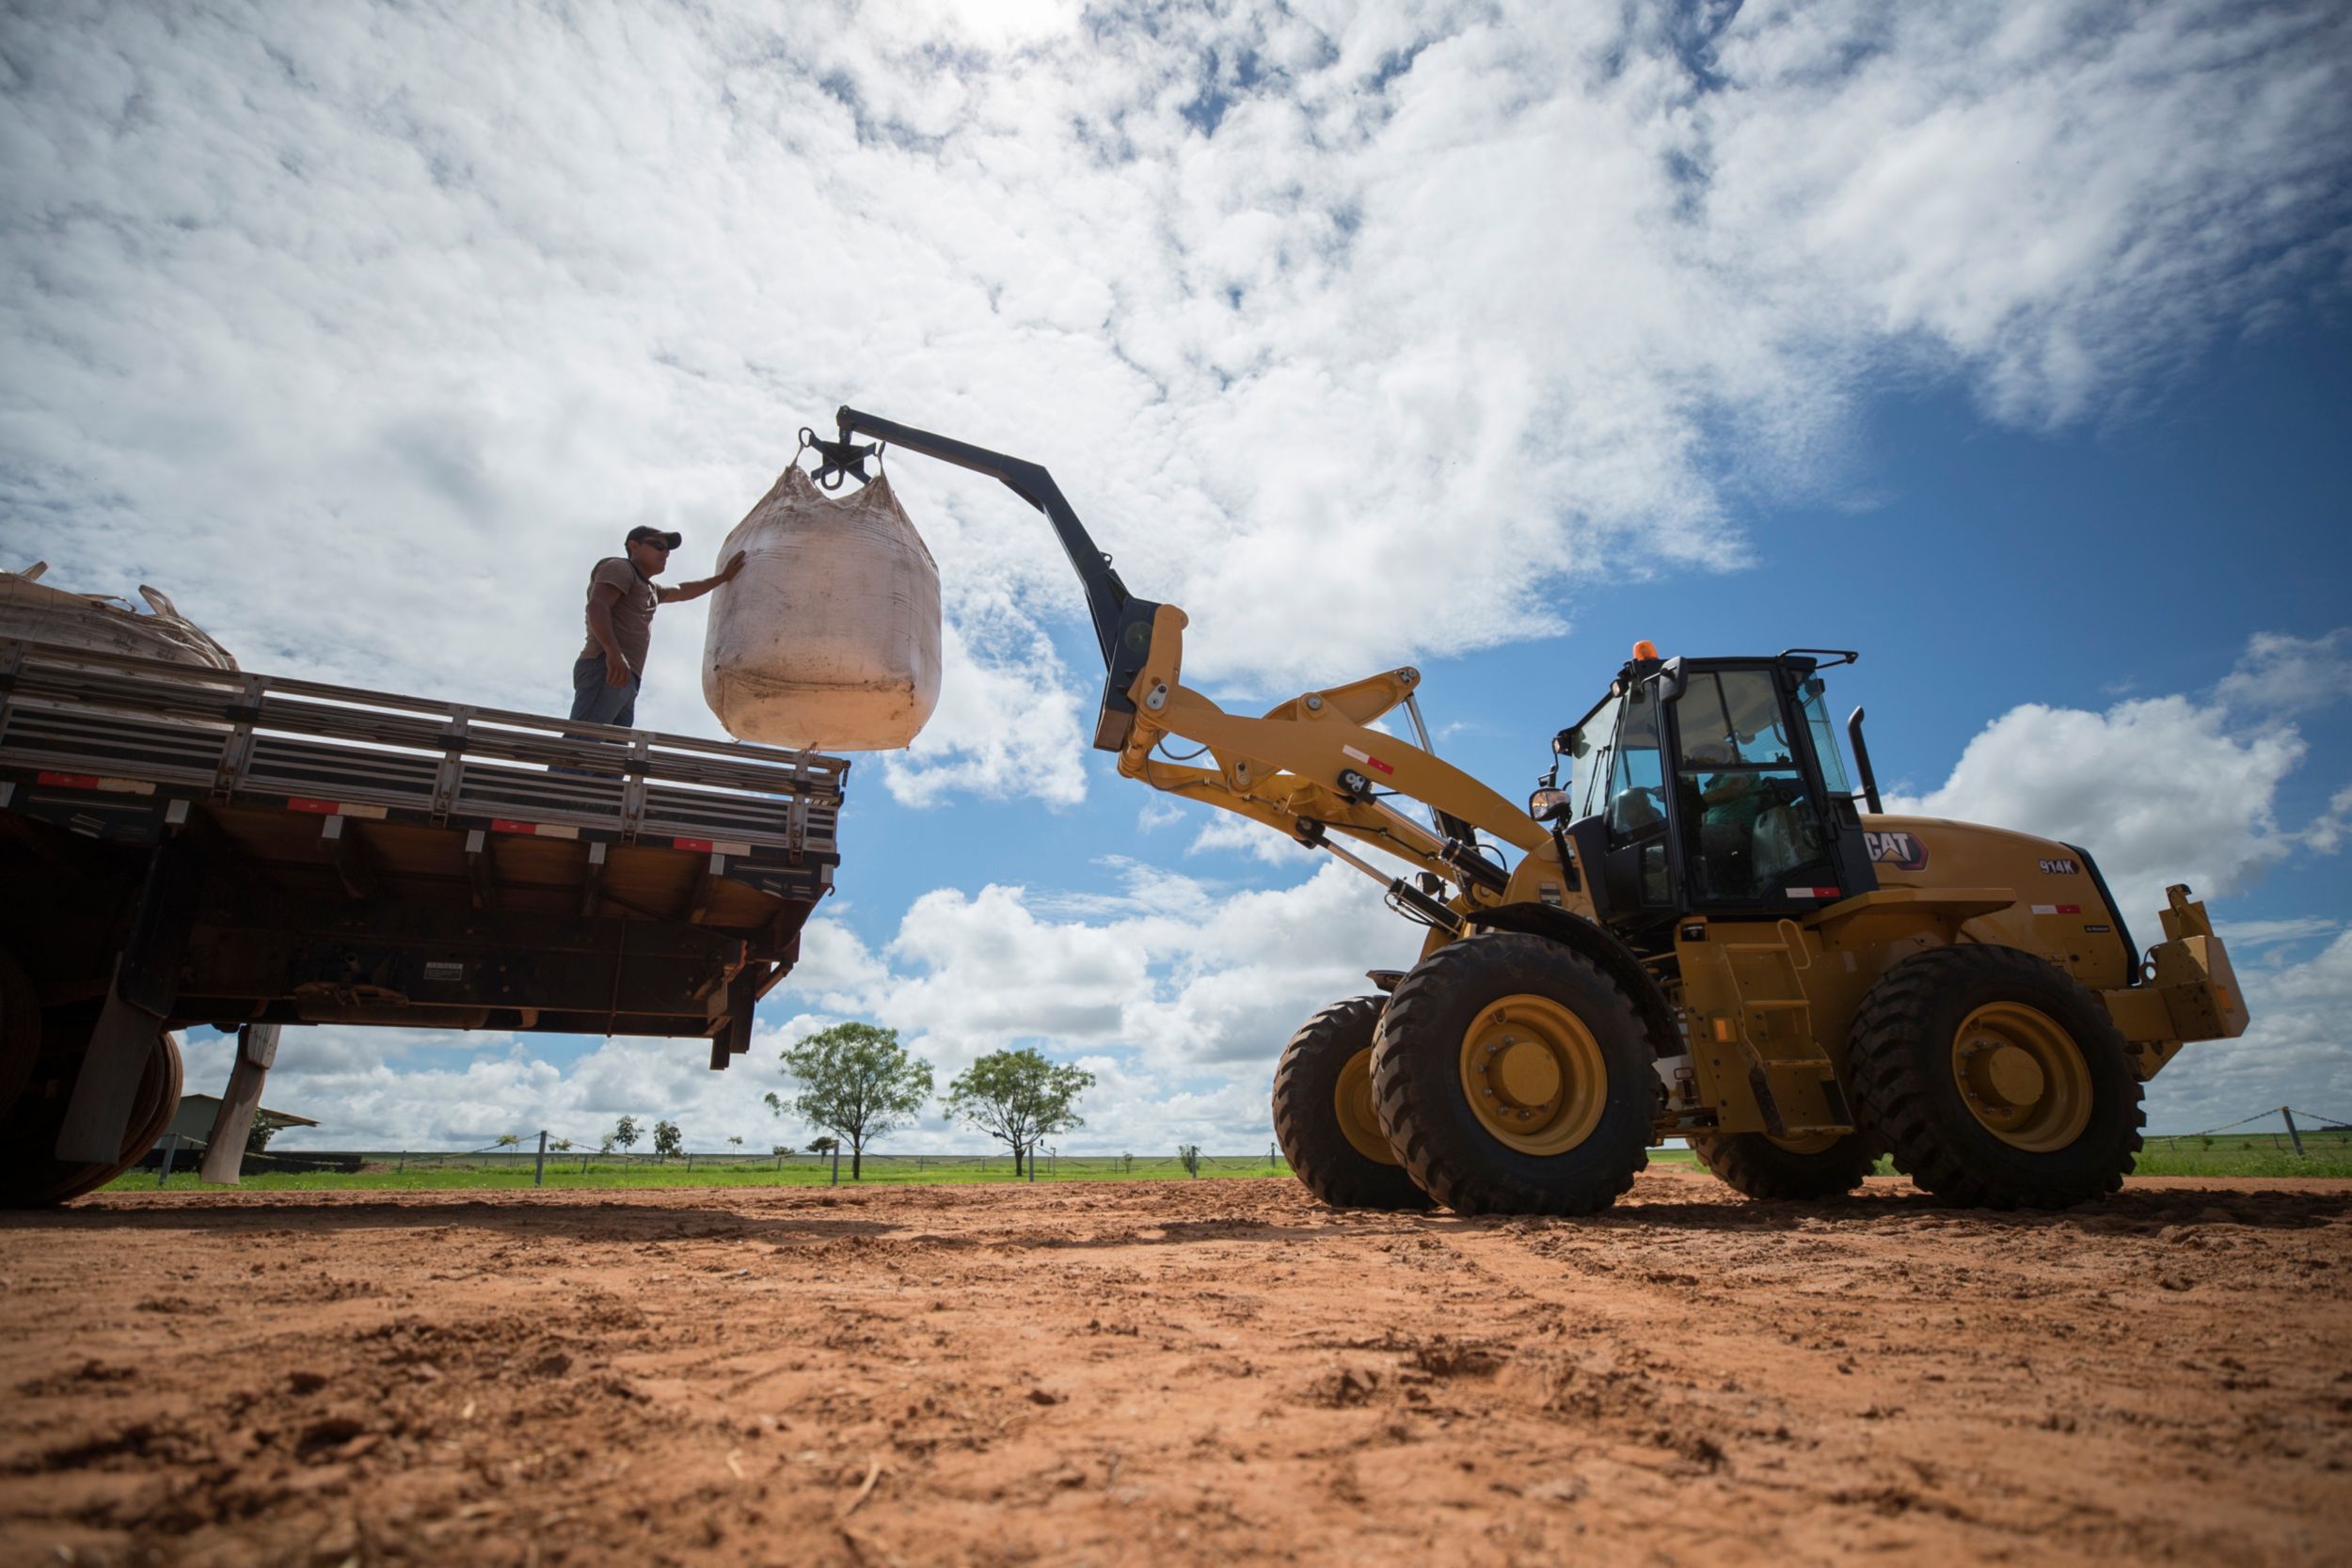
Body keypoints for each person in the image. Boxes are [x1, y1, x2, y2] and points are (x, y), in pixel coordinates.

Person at [571, 526, 746, 728]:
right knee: (583, 739)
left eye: (667, 550)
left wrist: (723, 577)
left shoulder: (651, 589)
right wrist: (613, 653)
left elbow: (683, 590)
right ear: (634, 546)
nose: (665, 553)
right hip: (605, 666)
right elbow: (597, 606)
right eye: (658, 546)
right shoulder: (619, 567)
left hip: (627, 676)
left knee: (613, 746)